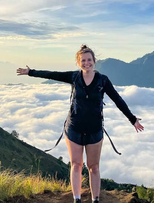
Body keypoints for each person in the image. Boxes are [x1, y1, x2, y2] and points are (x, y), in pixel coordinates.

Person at [17, 44, 144, 203]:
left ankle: (95, 199)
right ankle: (77, 199)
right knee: (76, 165)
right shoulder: (74, 77)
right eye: (83, 60)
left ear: (94, 61)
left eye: (89, 60)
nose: (86, 63)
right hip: (74, 129)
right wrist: (31, 72)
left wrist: (132, 119)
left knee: (94, 167)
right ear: (78, 63)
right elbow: (52, 74)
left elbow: (118, 100)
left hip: (94, 130)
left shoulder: (103, 81)